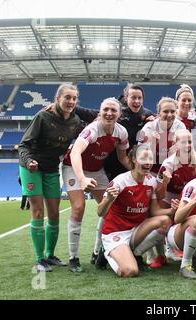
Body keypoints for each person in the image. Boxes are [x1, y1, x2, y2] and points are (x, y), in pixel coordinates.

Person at [61, 98, 130, 272]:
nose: (109, 113)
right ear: (100, 112)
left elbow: (123, 158)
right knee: (78, 207)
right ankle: (73, 258)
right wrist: (82, 179)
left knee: (109, 207)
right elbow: (76, 152)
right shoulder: (91, 129)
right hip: (73, 168)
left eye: (113, 110)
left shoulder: (121, 132)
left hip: (97, 170)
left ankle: (97, 252)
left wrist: (141, 173)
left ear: (119, 114)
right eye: (105, 109)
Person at [18, 83, 81, 272]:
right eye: (67, 97)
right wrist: (29, 161)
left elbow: (90, 129)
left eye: (74, 98)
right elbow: (23, 145)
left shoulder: (75, 121)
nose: (70, 101)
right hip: (32, 168)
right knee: (38, 211)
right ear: (57, 98)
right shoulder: (42, 116)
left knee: (54, 214)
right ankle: (40, 259)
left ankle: (50, 255)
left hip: (52, 168)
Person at [96, 146, 174, 277]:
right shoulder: (120, 181)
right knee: (130, 271)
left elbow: (155, 212)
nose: (147, 162)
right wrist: (108, 199)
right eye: (143, 158)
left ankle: (135, 254)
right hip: (116, 233)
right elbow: (100, 212)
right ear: (133, 159)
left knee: (165, 221)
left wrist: (173, 210)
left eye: (150, 158)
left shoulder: (151, 181)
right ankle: (106, 252)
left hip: (136, 231)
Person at [154, 129, 196, 266]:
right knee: (165, 215)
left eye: (189, 142)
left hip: (190, 196)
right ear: (176, 144)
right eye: (183, 142)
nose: (187, 145)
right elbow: (159, 195)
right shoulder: (168, 164)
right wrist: (165, 182)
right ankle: (167, 249)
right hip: (171, 197)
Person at [138, 97, 186, 174]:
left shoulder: (180, 126)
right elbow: (140, 155)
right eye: (165, 111)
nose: (169, 115)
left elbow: (184, 154)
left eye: (173, 111)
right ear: (159, 114)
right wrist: (152, 144)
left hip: (172, 171)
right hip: (151, 172)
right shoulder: (149, 127)